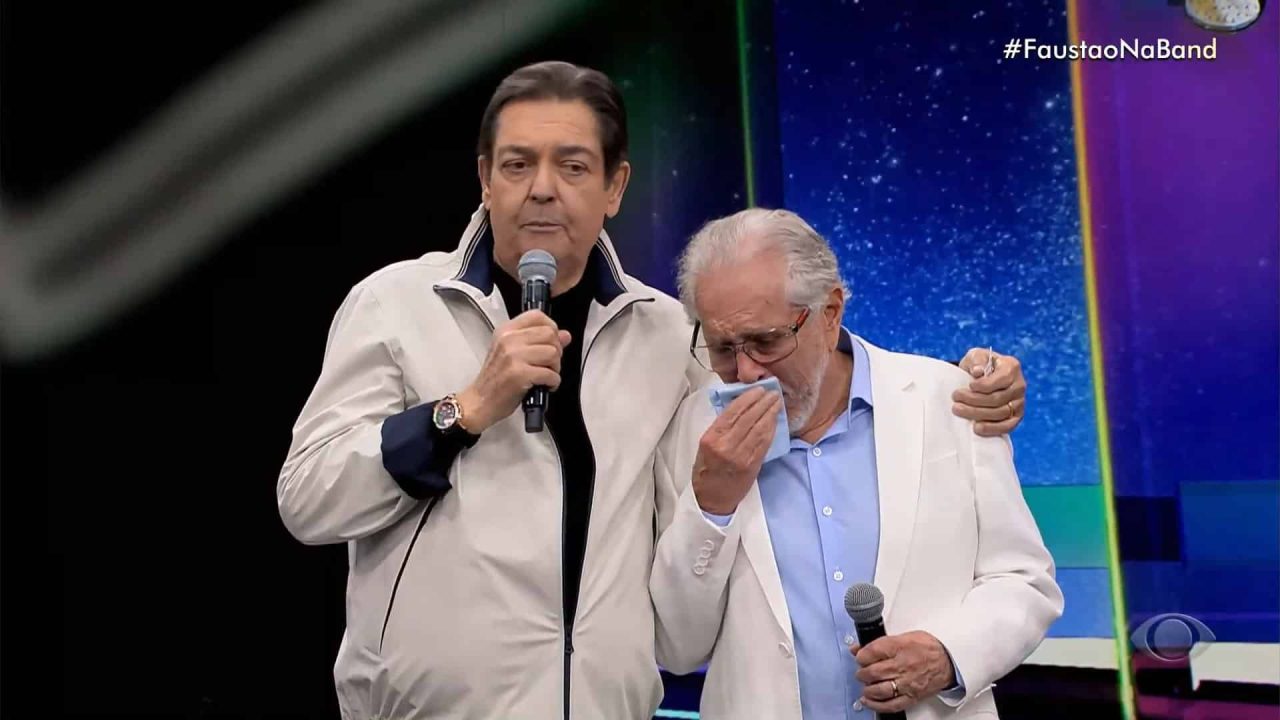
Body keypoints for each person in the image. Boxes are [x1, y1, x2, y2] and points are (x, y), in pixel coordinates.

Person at [277, 61, 1031, 719]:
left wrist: (977, 380)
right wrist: (464, 410)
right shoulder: (396, 304)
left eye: (573, 166)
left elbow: (807, 375)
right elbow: (310, 500)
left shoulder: (670, 333)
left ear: (615, 186)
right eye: (516, 165)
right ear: (484, 177)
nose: (542, 190)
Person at [650, 208, 1063, 720]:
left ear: (829, 313)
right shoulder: (690, 434)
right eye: (723, 348)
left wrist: (949, 654)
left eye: (767, 340)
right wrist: (712, 504)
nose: (746, 371)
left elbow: (1025, 579)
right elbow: (678, 646)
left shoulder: (947, 400)